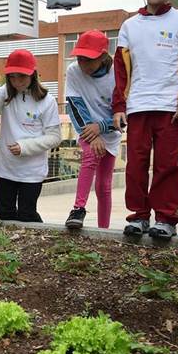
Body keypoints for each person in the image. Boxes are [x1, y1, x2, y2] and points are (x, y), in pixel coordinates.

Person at [112, 0, 178, 238]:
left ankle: (165, 219)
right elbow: (121, 70)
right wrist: (119, 106)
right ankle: (138, 216)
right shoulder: (130, 25)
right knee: (135, 164)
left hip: (169, 108)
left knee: (167, 164)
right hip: (138, 106)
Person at [0, 49, 62, 222]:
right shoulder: (6, 92)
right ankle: (11, 246)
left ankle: (40, 242)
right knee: (4, 211)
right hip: (6, 168)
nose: (17, 82)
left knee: (27, 214)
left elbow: (55, 137)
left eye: (22, 77)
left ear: (33, 74)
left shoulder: (47, 101)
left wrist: (25, 147)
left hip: (32, 171)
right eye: (12, 77)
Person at [64, 30, 121, 230]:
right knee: (90, 156)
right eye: (80, 58)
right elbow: (74, 105)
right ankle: (78, 209)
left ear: (104, 56)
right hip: (85, 127)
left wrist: (102, 127)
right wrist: (92, 132)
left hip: (111, 131)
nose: (83, 64)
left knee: (104, 186)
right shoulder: (73, 72)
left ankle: (103, 229)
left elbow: (124, 114)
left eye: (89, 59)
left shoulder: (118, 72)